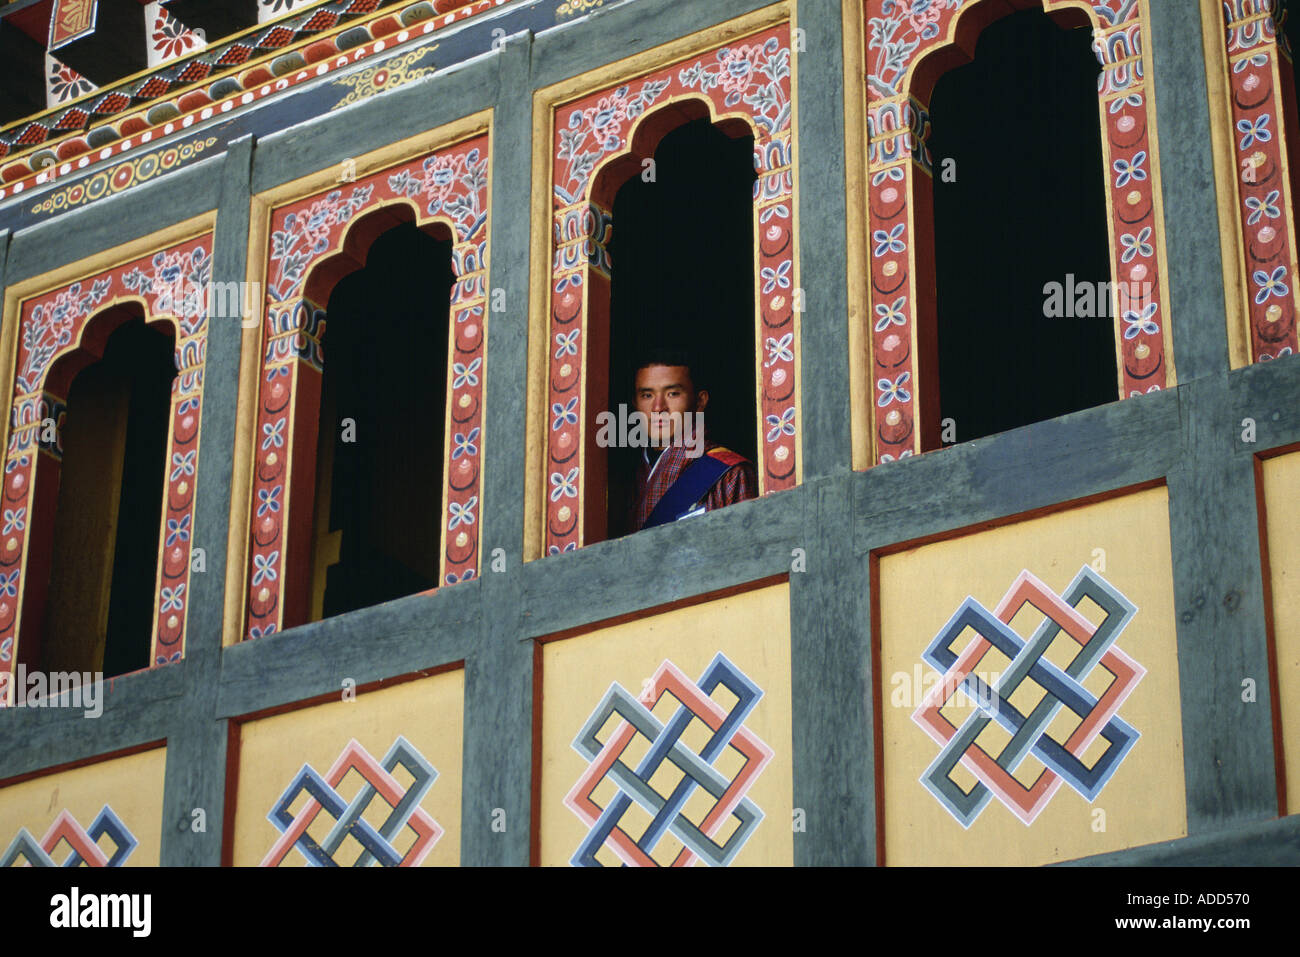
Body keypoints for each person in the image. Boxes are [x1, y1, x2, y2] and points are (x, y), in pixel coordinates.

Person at [629, 347, 757, 531]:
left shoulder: (729, 474)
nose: (658, 408)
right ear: (635, 403)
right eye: (647, 395)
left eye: (672, 393)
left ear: (699, 402)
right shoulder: (622, 483)